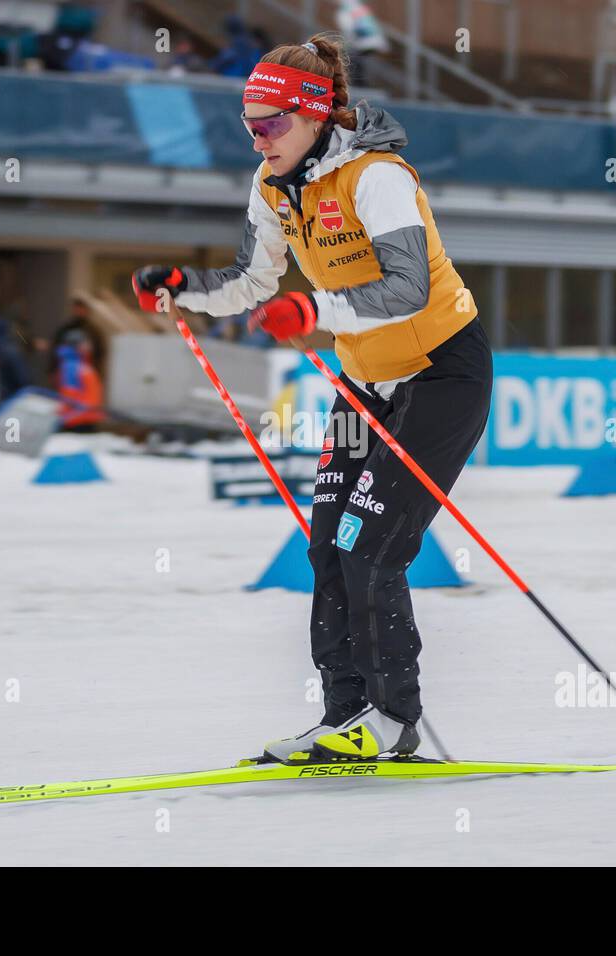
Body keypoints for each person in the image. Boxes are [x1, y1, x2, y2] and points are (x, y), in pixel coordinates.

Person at [133, 34, 493, 764]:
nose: (258, 138)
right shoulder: (273, 187)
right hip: (364, 386)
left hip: (440, 374)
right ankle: (347, 715)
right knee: (328, 544)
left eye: (270, 124)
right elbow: (252, 281)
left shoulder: (375, 177)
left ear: (313, 115)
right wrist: (183, 287)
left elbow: (407, 287)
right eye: (248, 125)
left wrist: (316, 312)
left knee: (371, 545)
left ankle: (395, 720)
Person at [55, 330, 104, 432]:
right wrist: (70, 416)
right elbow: (69, 394)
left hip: (84, 417)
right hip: (79, 421)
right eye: (86, 342)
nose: (90, 346)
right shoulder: (72, 366)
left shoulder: (78, 363)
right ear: (77, 345)